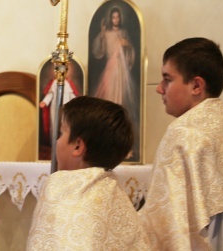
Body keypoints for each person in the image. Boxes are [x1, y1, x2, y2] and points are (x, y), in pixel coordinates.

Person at [139, 37, 223, 250]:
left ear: (196, 85)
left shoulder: (182, 134)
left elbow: (167, 225)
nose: (159, 89)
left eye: (167, 79)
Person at [27, 96, 149, 250]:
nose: (56, 142)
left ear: (78, 146)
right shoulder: (117, 196)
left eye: (61, 134)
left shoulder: (59, 187)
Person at [91, 6, 139, 158]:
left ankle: (122, 147)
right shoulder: (106, 33)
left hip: (121, 70)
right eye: (113, 17)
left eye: (118, 17)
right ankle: (106, 144)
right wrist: (102, 33)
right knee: (108, 102)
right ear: (110, 19)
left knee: (121, 103)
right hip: (110, 70)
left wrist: (127, 45)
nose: (116, 20)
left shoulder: (123, 33)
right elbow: (98, 51)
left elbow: (130, 50)